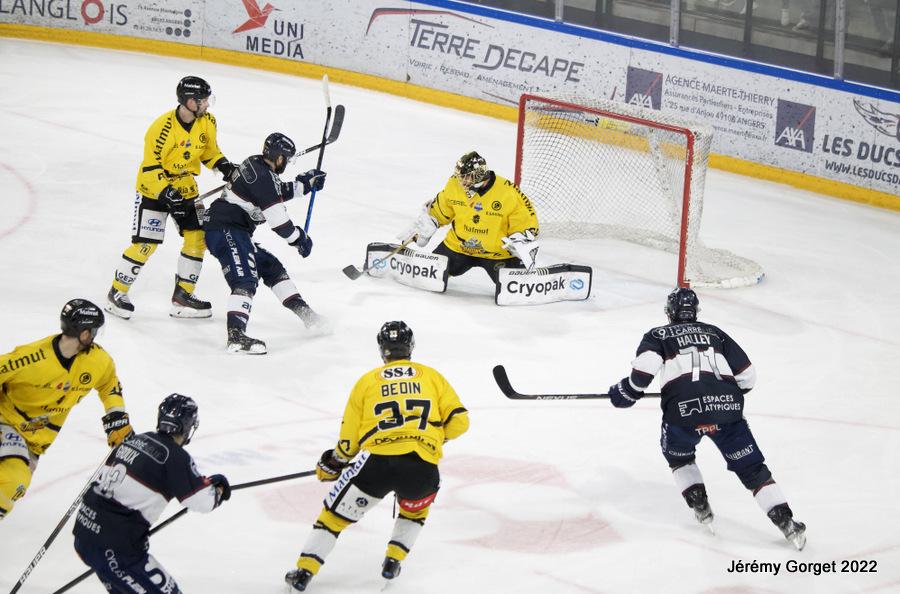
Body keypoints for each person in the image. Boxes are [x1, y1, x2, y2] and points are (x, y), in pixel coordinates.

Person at [607, 288, 806, 550]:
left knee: (680, 458)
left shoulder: (658, 335)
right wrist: (723, 393)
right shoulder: (715, 333)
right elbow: (748, 377)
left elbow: (643, 372)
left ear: (669, 312)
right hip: (728, 412)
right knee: (752, 469)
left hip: (683, 412)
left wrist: (627, 392)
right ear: (696, 311)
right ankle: (786, 522)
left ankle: (700, 505)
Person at [285, 321, 469, 591]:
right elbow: (460, 422)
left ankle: (304, 572)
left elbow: (349, 441)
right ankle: (393, 562)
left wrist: (334, 462)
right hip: (422, 466)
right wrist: (430, 438)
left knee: (333, 519)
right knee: (415, 512)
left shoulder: (367, 381)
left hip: (376, 464)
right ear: (411, 346)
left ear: (382, 350)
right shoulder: (431, 376)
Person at [106, 75, 238, 320]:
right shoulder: (161, 128)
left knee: (197, 237)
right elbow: (150, 168)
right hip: (153, 190)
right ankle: (117, 292)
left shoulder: (208, 121)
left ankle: (182, 297)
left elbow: (209, 152)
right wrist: (167, 194)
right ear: (190, 101)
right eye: (203, 100)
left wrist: (225, 167)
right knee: (146, 244)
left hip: (186, 187)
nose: (207, 104)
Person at [73, 393, 230, 593]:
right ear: (188, 426)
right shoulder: (175, 456)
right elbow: (201, 501)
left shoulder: (135, 439)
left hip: (84, 536)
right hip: (117, 550)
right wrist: (218, 490)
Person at [0, 299, 133, 520]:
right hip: (6, 422)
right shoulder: (31, 357)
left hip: (35, 442)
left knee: (15, 484)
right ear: (84, 333)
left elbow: (109, 383)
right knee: (11, 481)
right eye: (94, 330)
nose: (95, 336)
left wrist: (116, 416)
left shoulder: (97, 360)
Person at [204, 132, 329, 354]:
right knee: (245, 278)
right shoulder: (263, 177)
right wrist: (298, 239)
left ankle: (307, 315)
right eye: (286, 159)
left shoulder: (257, 164)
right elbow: (279, 222)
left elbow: (273, 192)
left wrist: (304, 185)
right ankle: (236, 337)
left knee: (272, 268)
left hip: (234, 230)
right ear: (279, 157)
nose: (286, 163)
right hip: (225, 229)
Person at [401, 151, 540, 285]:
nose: (461, 181)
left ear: (479, 175)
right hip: (458, 248)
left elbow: (526, 220)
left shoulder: (509, 192)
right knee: (429, 276)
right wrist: (429, 221)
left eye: (466, 177)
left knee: (517, 286)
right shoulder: (455, 184)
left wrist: (521, 239)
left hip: (498, 254)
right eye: (460, 176)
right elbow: (441, 209)